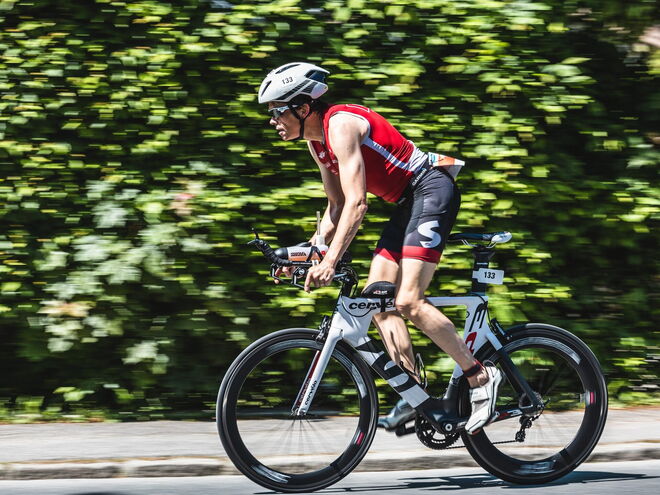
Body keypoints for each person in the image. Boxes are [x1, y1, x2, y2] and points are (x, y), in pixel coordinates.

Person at [258, 62, 502, 435]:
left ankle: (480, 376)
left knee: (409, 301)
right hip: (408, 203)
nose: (273, 120)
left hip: (431, 189)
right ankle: (416, 394)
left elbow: (358, 204)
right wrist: (310, 252)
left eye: (278, 111)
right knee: (377, 301)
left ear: (303, 108)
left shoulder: (340, 126)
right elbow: (336, 206)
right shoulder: (316, 143)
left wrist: (331, 261)